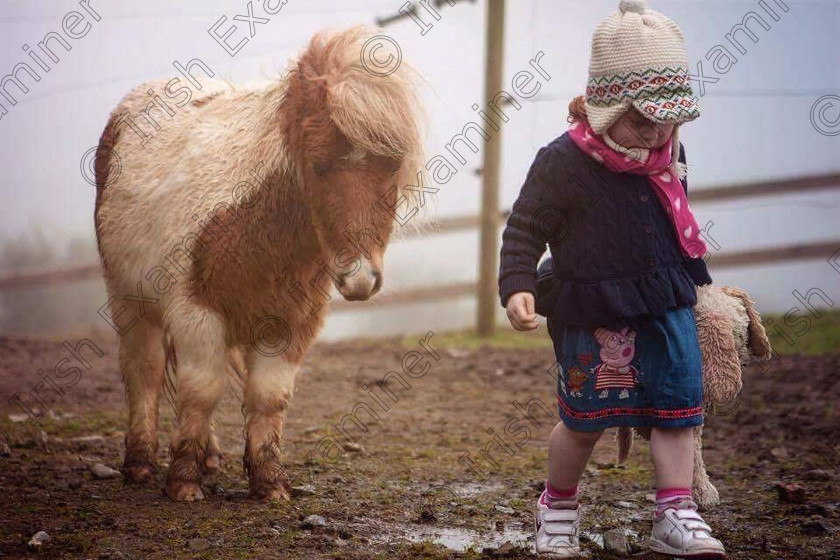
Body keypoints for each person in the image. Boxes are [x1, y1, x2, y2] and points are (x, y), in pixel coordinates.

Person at [497, 1, 727, 557]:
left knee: (678, 409)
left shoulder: (671, 152)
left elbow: (674, 225)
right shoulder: (563, 162)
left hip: (666, 302)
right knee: (584, 418)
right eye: (640, 119)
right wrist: (518, 284)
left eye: (665, 118)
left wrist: (703, 290)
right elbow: (525, 226)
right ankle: (557, 506)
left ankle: (675, 510)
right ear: (604, 107)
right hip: (593, 308)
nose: (654, 132)